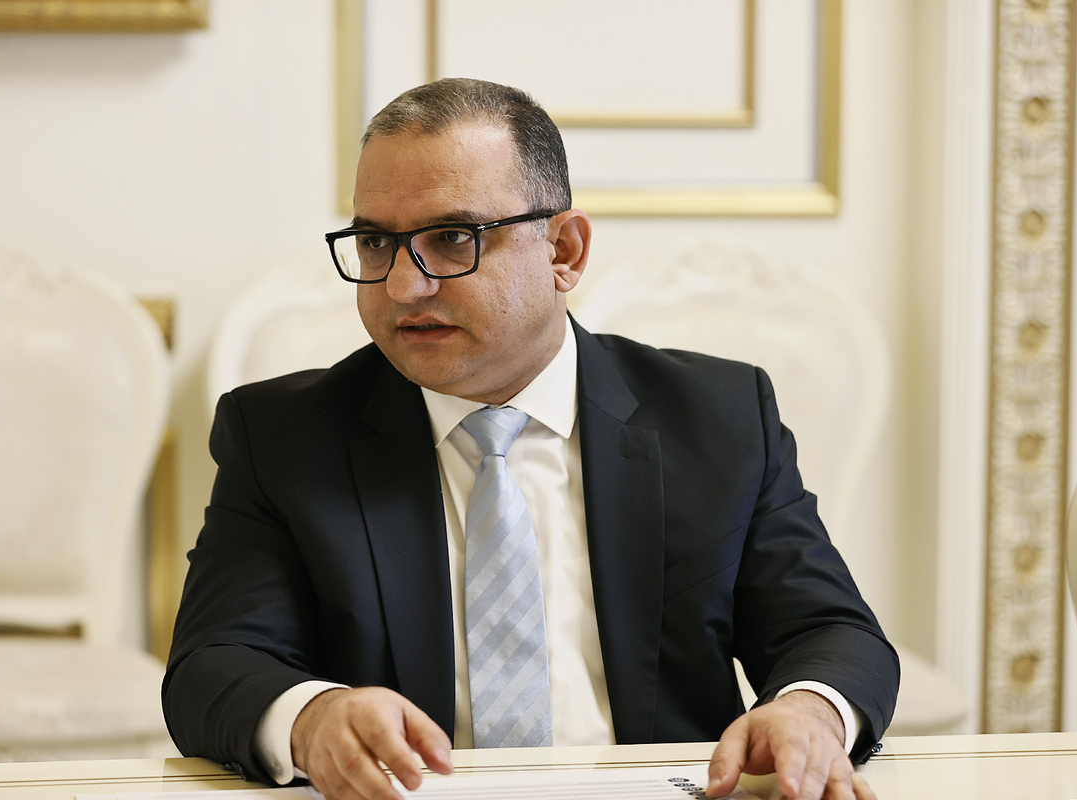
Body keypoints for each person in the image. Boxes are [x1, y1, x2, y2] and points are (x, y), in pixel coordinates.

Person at [163, 78, 899, 800]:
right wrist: (313, 718)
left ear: (564, 251)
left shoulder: (715, 418)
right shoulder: (284, 437)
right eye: (376, 243)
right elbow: (213, 664)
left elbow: (829, 632)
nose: (402, 287)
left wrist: (810, 712)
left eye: (452, 238)